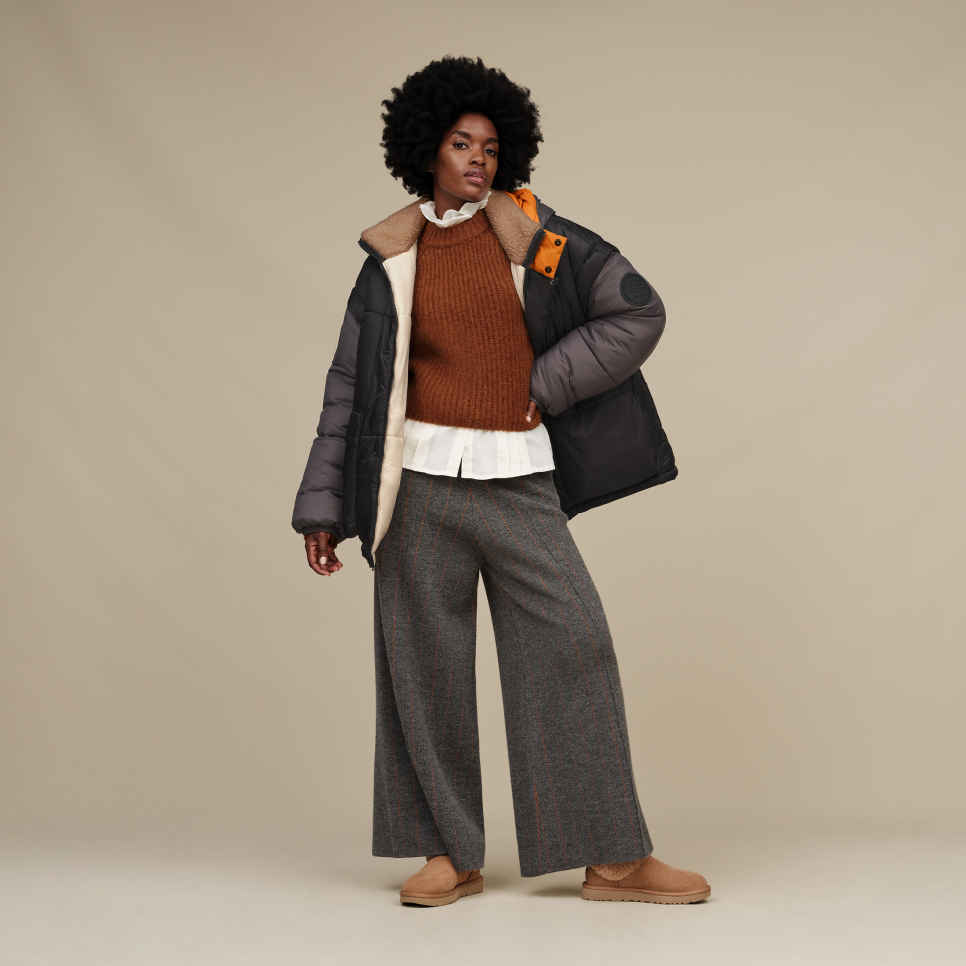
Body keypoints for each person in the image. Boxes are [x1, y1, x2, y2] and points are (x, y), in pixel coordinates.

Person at [291, 55, 710, 907]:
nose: (477, 159)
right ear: (426, 151)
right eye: (460, 143)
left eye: (489, 146)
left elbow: (638, 309)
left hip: (519, 482)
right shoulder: (389, 259)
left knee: (574, 647)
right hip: (416, 491)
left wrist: (544, 384)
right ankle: (447, 853)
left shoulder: (537, 236)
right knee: (424, 673)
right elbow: (349, 388)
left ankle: (613, 858)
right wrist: (324, 506)